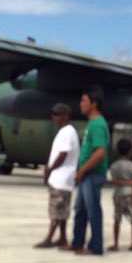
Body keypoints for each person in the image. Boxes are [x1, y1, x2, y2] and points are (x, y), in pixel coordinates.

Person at [70, 86, 110, 256]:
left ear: (94, 104)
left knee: (93, 209)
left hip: (92, 174)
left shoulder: (98, 125)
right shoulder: (92, 124)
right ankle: (77, 242)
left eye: (84, 101)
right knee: (80, 209)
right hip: (86, 174)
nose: (81, 104)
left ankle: (96, 246)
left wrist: (83, 169)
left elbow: (100, 152)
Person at [34, 103, 79, 249]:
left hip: (61, 178)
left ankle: (49, 238)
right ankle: (63, 238)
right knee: (62, 211)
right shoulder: (67, 131)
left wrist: (50, 169)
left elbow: (63, 154)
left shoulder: (67, 132)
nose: (53, 117)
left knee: (55, 210)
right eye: (53, 114)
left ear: (65, 116)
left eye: (57, 114)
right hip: (64, 179)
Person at [108, 138, 132, 251]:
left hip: (118, 194)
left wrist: (121, 182)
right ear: (130, 151)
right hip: (129, 194)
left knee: (117, 219)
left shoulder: (114, 166)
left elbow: (113, 180)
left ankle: (116, 243)